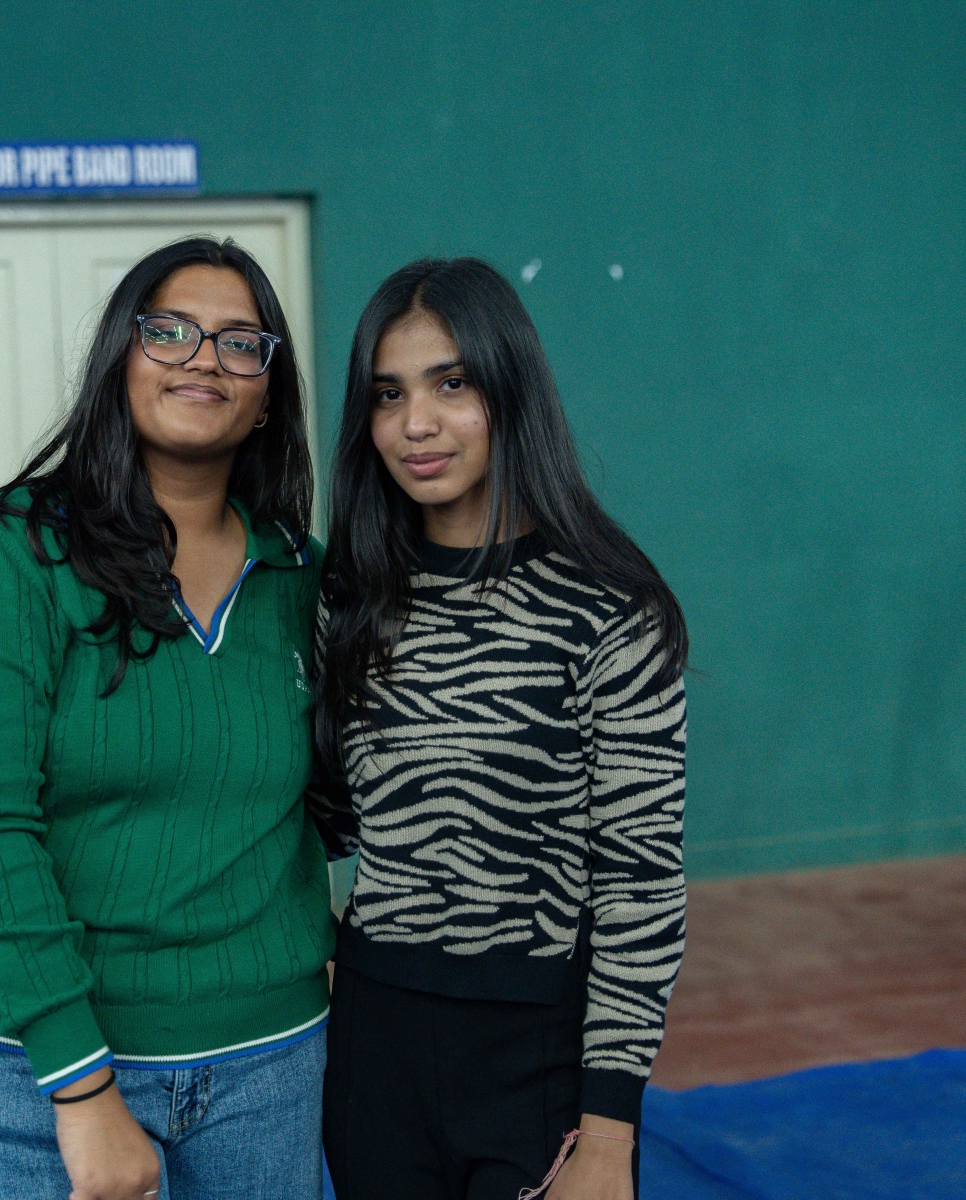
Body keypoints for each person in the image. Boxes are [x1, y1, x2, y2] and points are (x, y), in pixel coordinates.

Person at [0, 237, 334, 1200]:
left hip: (270, 1059)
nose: (203, 359)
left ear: (267, 394)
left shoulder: (303, 575)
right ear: (120, 360)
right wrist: (80, 1084)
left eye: (240, 342)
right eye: (168, 331)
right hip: (35, 1063)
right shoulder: (8, 553)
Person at [313, 258, 689, 1200]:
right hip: (373, 1049)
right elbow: (314, 817)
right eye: (389, 394)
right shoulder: (348, 600)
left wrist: (609, 1134)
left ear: (510, 389)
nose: (417, 423)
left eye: (452, 384)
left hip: (538, 1054)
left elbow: (641, 882)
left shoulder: (611, 609)